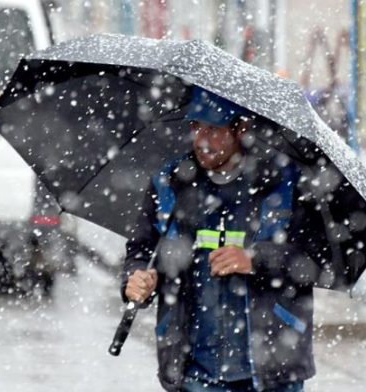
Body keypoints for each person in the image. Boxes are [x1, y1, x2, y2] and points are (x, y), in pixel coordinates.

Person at [121, 87, 330, 392]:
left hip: (272, 373)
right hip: (194, 374)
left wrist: (255, 259)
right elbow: (141, 251)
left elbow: (316, 259)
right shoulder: (169, 183)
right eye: (196, 127)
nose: (201, 140)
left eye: (214, 129)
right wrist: (136, 279)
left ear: (240, 128)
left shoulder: (283, 184)